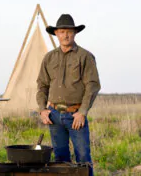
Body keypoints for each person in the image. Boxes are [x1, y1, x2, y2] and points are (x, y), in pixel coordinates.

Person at [36, 14, 100, 176]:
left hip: (75, 115)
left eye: (69, 32)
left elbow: (92, 86)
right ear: (56, 34)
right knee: (60, 159)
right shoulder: (49, 58)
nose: (65, 35)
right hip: (54, 115)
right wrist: (43, 109)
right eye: (62, 31)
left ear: (75, 33)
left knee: (83, 158)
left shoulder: (85, 56)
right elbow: (42, 85)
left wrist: (82, 112)